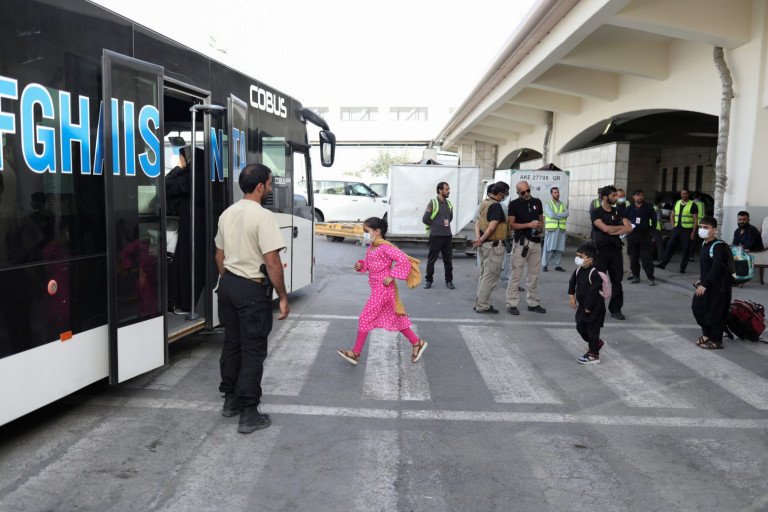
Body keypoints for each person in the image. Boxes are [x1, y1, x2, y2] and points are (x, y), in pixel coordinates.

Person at [215, 163, 289, 434]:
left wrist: (231, 280)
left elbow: (219, 256)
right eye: (269, 184)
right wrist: (282, 296)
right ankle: (248, 414)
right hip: (251, 290)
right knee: (253, 350)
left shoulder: (227, 213)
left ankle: (230, 401)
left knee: (232, 344)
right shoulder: (264, 216)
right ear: (259, 187)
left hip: (228, 286)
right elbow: (272, 261)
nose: (270, 189)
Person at [337, 217, 427, 364]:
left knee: (365, 317)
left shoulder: (385, 247)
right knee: (396, 318)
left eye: (366, 231)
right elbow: (369, 264)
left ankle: (355, 353)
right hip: (377, 288)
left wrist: (392, 276)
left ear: (377, 231)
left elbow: (404, 260)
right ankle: (417, 343)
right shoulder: (373, 246)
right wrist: (361, 265)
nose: (364, 234)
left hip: (383, 289)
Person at [166, 146, 206, 314]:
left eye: (181, 157)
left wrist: (178, 168)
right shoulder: (204, 177)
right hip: (202, 228)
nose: (179, 160)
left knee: (185, 263)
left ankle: (185, 302)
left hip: (190, 229)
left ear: (189, 159)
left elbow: (166, 184)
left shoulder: (189, 177)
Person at [591, 185, 632, 320]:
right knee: (598, 280)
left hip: (615, 250)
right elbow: (605, 229)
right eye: (613, 196)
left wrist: (613, 230)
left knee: (617, 281)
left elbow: (629, 228)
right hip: (600, 251)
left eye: (616, 195)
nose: (616, 198)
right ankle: (596, 308)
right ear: (604, 197)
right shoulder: (596, 212)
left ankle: (616, 309)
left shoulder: (619, 212)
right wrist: (619, 228)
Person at [505, 180, 546, 315]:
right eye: (523, 192)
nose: (527, 193)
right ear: (518, 193)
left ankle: (533, 303)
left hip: (536, 242)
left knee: (534, 275)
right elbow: (511, 225)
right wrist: (529, 225)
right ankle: (511, 304)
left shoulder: (537, 202)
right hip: (521, 243)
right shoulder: (514, 204)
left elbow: (540, 218)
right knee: (516, 274)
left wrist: (539, 228)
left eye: (528, 190)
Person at [692, 217, 732, 350]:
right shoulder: (704, 244)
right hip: (707, 282)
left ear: (714, 230)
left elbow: (716, 268)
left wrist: (705, 284)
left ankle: (716, 340)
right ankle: (706, 335)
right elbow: (706, 266)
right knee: (699, 308)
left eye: (706, 227)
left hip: (719, 286)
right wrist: (701, 279)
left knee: (716, 312)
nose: (702, 229)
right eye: (701, 227)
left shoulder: (718, 246)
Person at [472, 183, 508, 314]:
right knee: (490, 276)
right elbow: (492, 227)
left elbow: (477, 223)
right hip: (493, 246)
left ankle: (479, 303)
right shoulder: (496, 206)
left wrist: (479, 239)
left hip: (484, 246)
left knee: (484, 275)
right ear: (500, 194)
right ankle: (482, 305)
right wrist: (480, 240)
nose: (505, 196)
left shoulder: (484, 204)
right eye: (505, 193)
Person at [568, 244, 606, 364]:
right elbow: (572, 283)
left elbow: (594, 292)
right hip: (582, 306)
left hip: (595, 307)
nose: (577, 258)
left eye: (581, 256)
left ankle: (594, 355)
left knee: (592, 331)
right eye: (577, 255)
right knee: (580, 326)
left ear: (590, 259)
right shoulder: (578, 270)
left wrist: (588, 307)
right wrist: (571, 296)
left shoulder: (594, 274)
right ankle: (596, 343)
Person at [655, 188, 698, 273]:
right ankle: (663, 264)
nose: (684, 195)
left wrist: (693, 232)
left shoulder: (693, 204)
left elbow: (695, 219)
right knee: (670, 246)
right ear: (681, 194)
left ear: (688, 194)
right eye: (683, 193)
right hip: (677, 228)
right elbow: (672, 215)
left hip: (687, 229)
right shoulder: (677, 203)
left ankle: (682, 268)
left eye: (685, 193)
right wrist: (673, 226)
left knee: (686, 249)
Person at [422, 182, 454, 289]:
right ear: (440, 190)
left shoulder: (449, 204)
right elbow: (425, 219)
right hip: (436, 236)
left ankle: (449, 281)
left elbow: (450, 218)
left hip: (447, 236)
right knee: (432, 259)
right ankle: (428, 280)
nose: (448, 191)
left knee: (448, 260)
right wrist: (436, 225)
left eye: (448, 189)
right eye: (446, 189)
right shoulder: (433, 203)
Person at [624, 189, 656, 285]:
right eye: (638, 195)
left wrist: (651, 232)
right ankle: (635, 276)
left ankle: (650, 277)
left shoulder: (648, 207)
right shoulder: (629, 208)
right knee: (633, 257)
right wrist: (627, 231)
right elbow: (625, 220)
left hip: (645, 235)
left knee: (647, 257)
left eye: (641, 195)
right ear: (634, 197)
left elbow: (654, 220)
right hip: (632, 235)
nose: (640, 197)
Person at [542, 186, 568, 272]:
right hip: (552, 229)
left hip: (561, 229)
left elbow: (567, 214)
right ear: (551, 194)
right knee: (548, 248)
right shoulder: (548, 204)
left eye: (558, 192)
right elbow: (551, 215)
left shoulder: (563, 204)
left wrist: (557, 214)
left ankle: (557, 265)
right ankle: (545, 265)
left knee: (559, 248)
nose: (557, 194)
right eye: (555, 192)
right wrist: (561, 215)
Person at [651, 197, 665, 261]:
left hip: (649, 228)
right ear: (659, 203)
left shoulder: (651, 208)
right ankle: (660, 258)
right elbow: (659, 219)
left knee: (648, 243)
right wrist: (663, 226)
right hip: (656, 228)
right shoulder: (658, 210)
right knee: (660, 244)